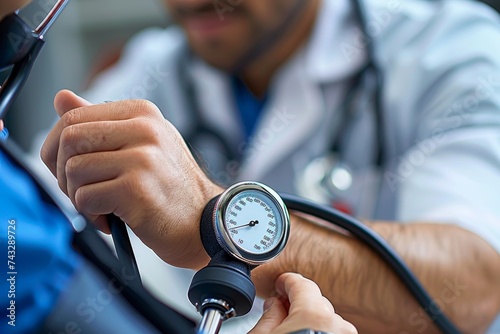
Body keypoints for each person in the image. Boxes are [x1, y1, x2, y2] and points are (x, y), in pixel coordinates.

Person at [37, 0, 500, 332]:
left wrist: (209, 223)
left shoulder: (451, 48)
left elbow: (473, 284)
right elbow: (26, 220)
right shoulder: (153, 66)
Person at [0, 1, 357, 333]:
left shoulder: (410, 53)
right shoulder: (149, 64)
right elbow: (33, 214)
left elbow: (416, 278)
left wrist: (206, 218)